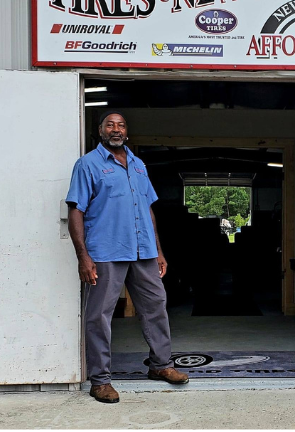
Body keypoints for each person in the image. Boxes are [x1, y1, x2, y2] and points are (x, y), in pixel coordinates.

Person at [66, 111, 188, 404]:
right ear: (100, 131)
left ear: (127, 132)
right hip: (106, 251)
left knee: (156, 305)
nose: (116, 129)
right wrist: (83, 256)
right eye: (110, 125)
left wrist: (157, 250)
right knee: (100, 316)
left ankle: (161, 365)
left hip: (142, 250)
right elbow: (75, 211)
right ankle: (100, 380)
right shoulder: (87, 165)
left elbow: (147, 209)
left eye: (121, 125)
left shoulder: (138, 165)